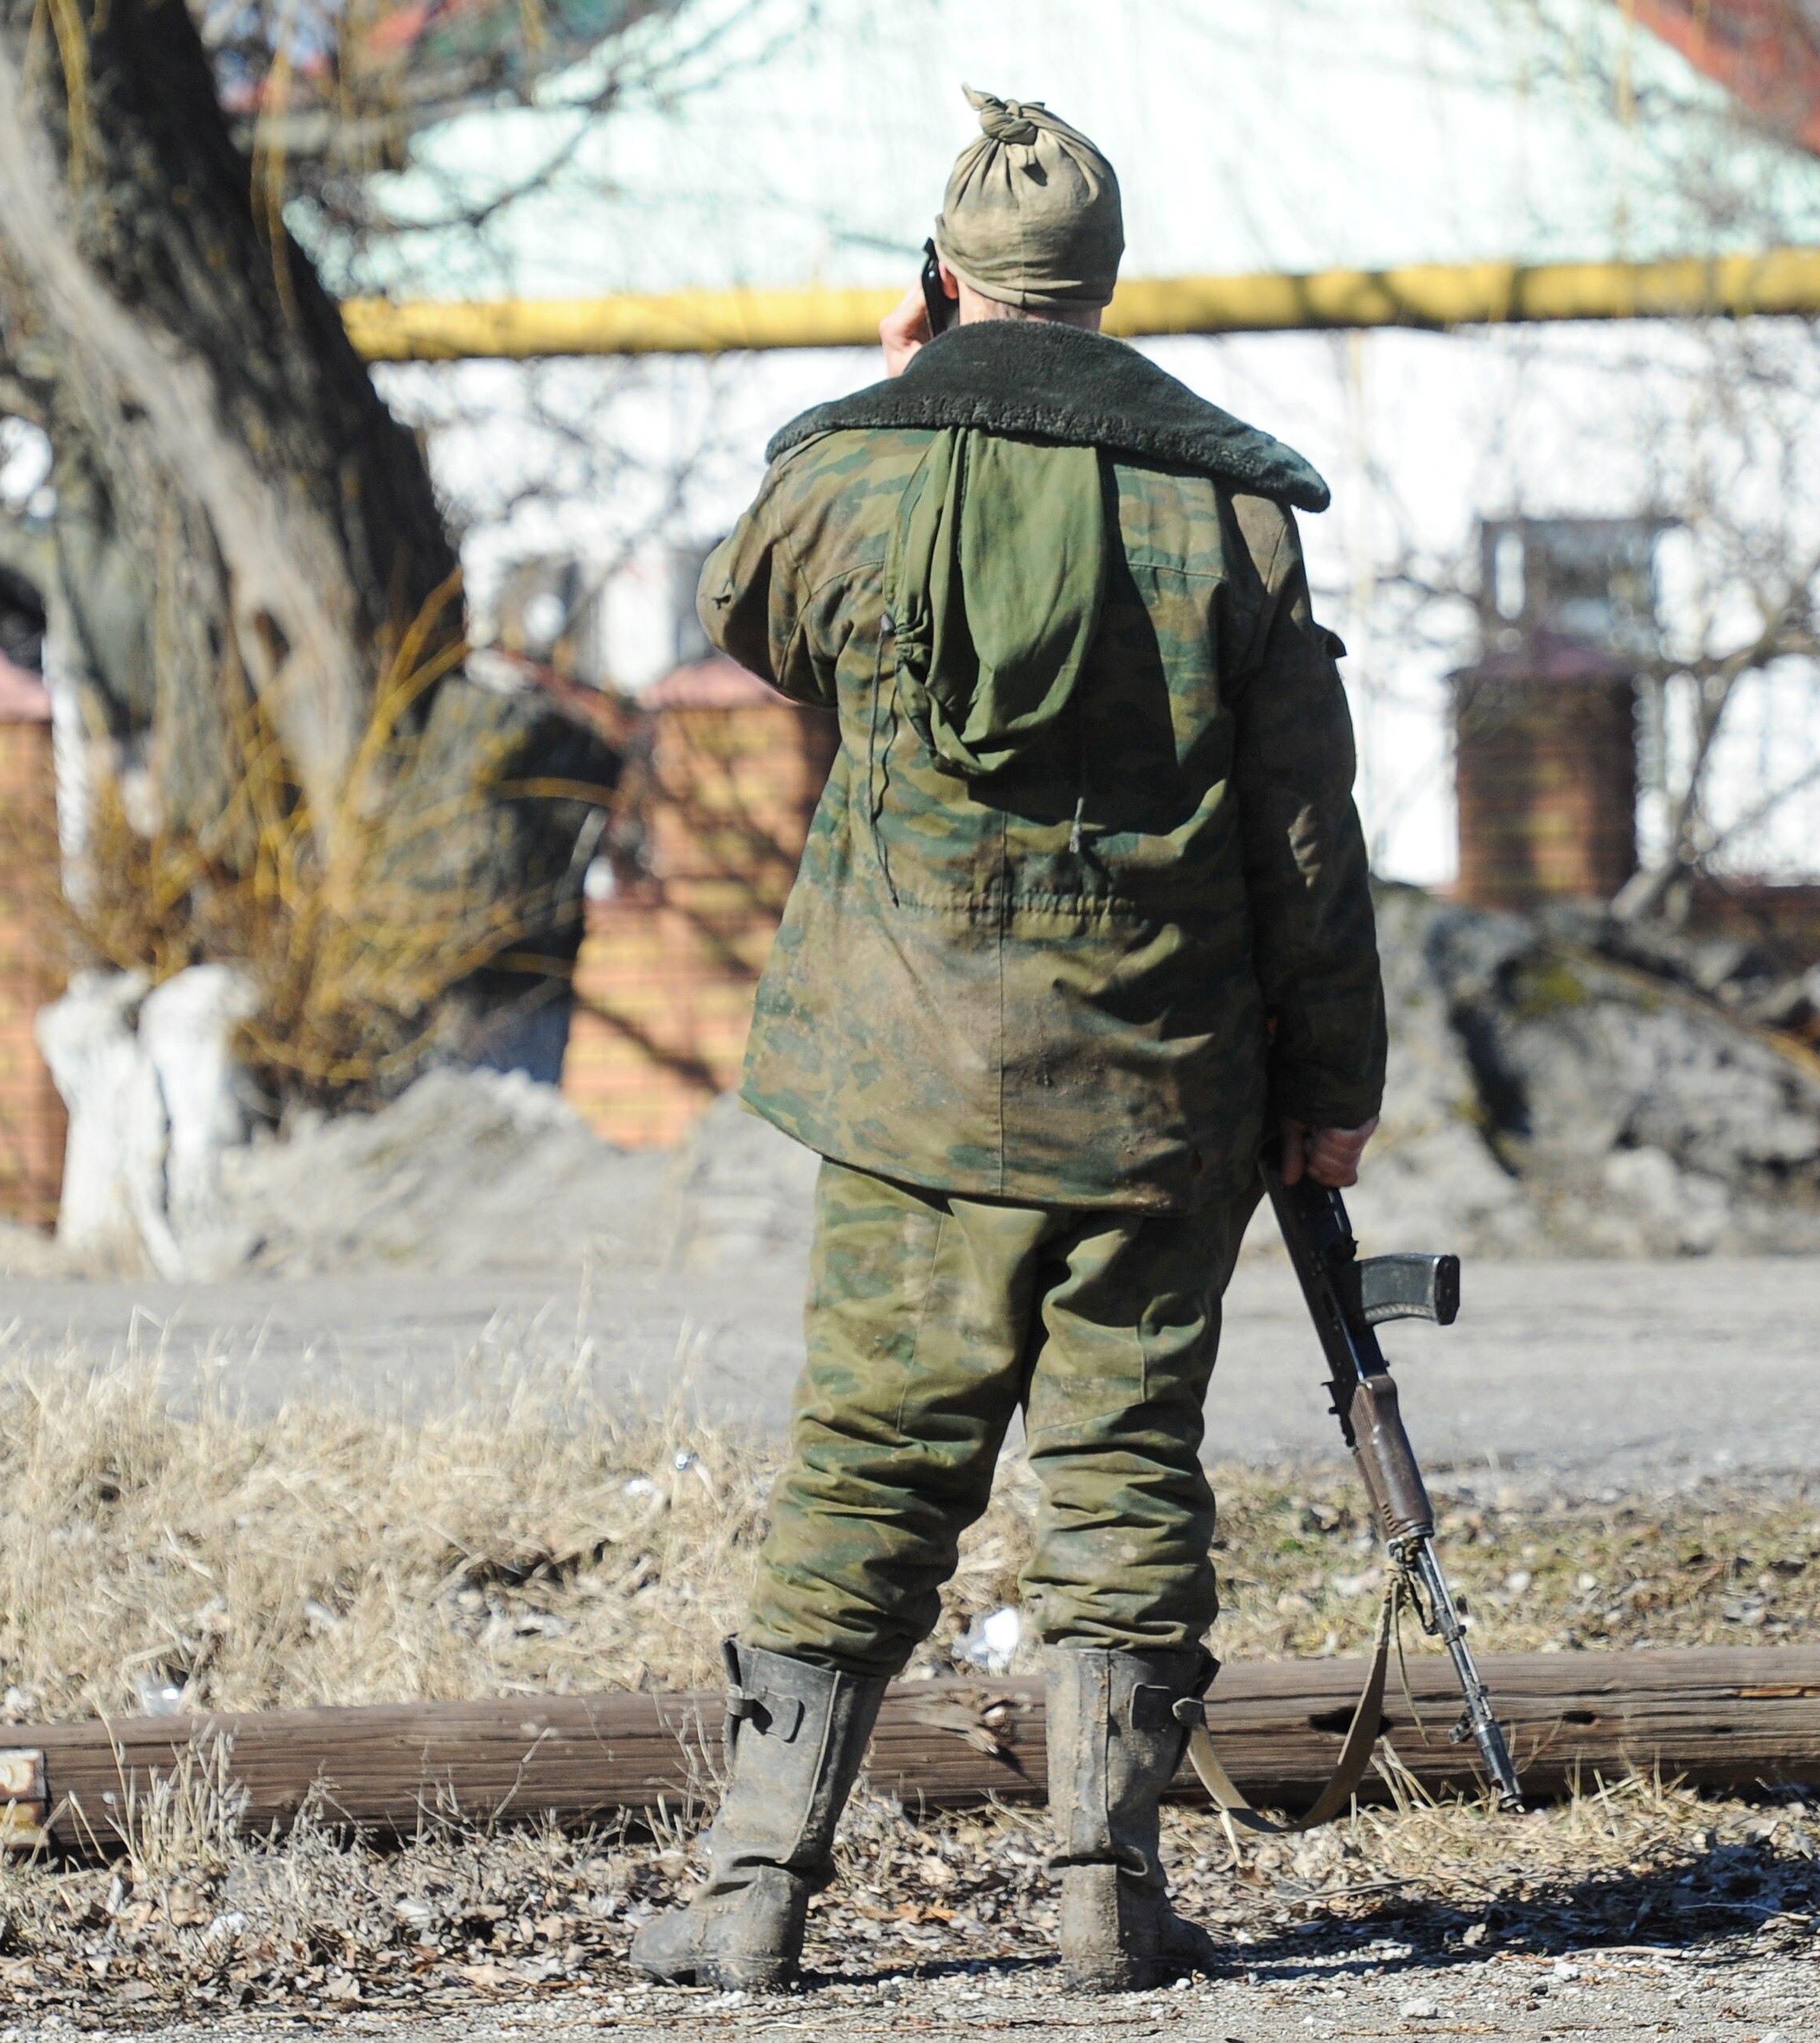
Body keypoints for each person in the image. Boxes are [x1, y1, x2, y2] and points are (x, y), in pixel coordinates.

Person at [632, 85, 1385, 1996]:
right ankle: (1105, 1903)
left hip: (907, 1084)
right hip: (1161, 1093)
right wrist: (1332, 1091)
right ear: (1105, 278)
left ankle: (751, 1898)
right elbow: (1305, 834)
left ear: (945, 275)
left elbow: (754, 622)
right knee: (1124, 1475)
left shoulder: (846, 482)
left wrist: (900, 391)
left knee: (867, 1470)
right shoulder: (1231, 511)